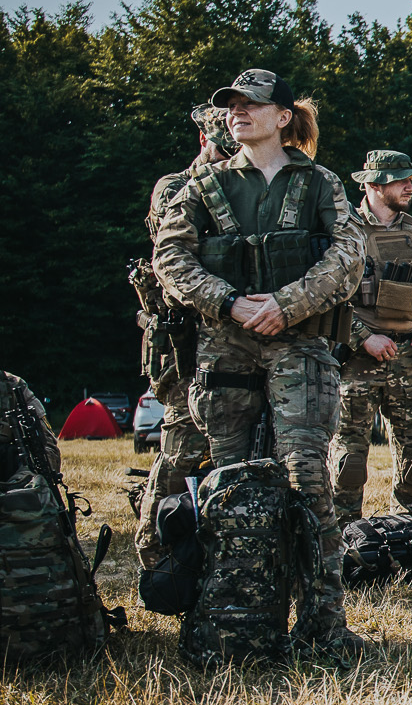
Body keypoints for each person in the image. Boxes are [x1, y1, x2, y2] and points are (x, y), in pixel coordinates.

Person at [152, 68, 367, 658]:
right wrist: (227, 301)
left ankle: (323, 628)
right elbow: (169, 257)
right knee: (225, 482)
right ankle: (232, 622)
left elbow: (350, 256)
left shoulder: (320, 183)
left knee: (307, 478)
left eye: (252, 105)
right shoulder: (202, 187)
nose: (237, 112)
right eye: (231, 105)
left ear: (281, 118)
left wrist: (286, 303)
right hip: (227, 345)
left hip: (299, 342)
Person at [329, 151, 412, 523]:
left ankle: (410, 532)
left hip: (410, 361)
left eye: (411, 180)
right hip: (356, 364)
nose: (409, 186)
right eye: (400, 180)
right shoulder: (343, 236)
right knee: (348, 464)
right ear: (372, 185)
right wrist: (361, 338)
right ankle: (344, 540)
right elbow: (322, 298)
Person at [132, 105, 232, 572]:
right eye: (222, 148)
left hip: (232, 339)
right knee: (182, 449)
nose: (230, 157)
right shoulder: (177, 189)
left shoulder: (248, 187)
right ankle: (155, 553)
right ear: (203, 142)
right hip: (183, 344)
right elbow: (179, 263)